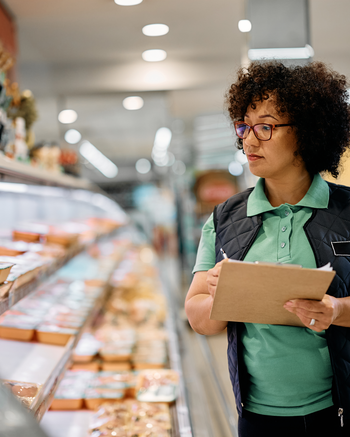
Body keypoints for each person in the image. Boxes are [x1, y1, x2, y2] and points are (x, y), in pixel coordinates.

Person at [185, 61, 350, 437]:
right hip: (256, 418)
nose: (249, 139)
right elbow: (199, 318)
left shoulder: (347, 213)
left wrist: (336, 309)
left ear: (307, 132)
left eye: (266, 126)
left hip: (336, 411)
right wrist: (221, 291)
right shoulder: (224, 219)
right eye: (244, 126)